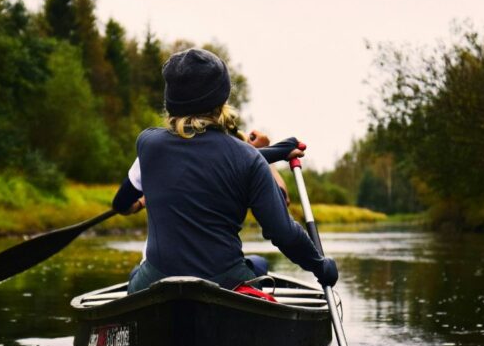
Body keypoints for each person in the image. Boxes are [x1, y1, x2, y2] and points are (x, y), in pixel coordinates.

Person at [111, 47, 337, 293]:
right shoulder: (247, 159)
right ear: (222, 100)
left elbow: (213, 159)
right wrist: (320, 266)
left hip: (156, 280)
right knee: (259, 265)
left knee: (137, 274)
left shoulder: (148, 144)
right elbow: (283, 234)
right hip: (224, 282)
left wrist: (279, 151)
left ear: (170, 102)